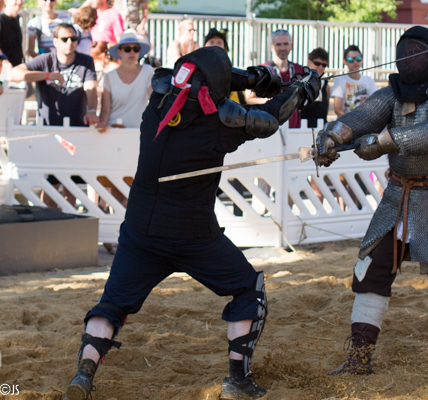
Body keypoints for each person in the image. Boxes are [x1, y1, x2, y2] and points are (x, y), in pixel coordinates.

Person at [61, 46, 320, 400]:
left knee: (112, 305)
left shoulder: (156, 108)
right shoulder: (217, 126)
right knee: (248, 289)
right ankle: (237, 381)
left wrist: (260, 78)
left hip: (140, 232)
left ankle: (84, 373)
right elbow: (270, 119)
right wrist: (301, 88)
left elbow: (183, 74)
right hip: (193, 237)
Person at [317, 26, 428, 378]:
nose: (410, 59)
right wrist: (333, 136)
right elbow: (359, 119)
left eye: (418, 52)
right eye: (406, 51)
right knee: (371, 274)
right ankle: (360, 358)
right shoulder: (391, 95)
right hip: (398, 197)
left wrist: (383, 141)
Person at [10, 23, 98, 127]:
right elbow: (13, 74)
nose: (70, 42)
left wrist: (92, 111)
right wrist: (47, 75)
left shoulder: (86, 61)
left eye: (73, 38)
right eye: (65, 39)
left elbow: (90, 87)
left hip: (77, 127)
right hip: (47, 127)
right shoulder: (45, 60)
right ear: (55, 42)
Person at [246, 28, 304, 128]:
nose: (282, 48)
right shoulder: (262, 70)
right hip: (270, 126)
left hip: (295, 128)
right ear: (272, 47)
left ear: (291, 46)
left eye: (286, 44)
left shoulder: (299, 69)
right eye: (278, 44)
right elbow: (248, 98)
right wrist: (268, 101)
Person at [97, 30, 152, 132]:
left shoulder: (147, 71)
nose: (132, 52)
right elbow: (105, 110)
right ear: (119, 52)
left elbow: (155, 101)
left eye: (135, 49)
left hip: (139, 131)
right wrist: (102, 123)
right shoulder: (109, 77)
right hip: (114, 131)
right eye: (127, 49)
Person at [331, 45, 378, 118]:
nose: (355, 62)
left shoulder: (369, 80)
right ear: (345, 62)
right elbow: (338, 109)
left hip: (366, 123)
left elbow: (376, 104)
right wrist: (351, 123)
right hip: (346, 124)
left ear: (362, 60)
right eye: (350, 59)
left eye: (358, 58)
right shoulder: (340, 80)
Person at [89, 0, 124, 70]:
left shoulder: (114, 14)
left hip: (109, 60)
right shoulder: (92, 14)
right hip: (94, 59)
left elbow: (120, 40)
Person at [301, 47, 330, 127]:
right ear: (309, 62)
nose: (320, 67)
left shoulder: (326, 85)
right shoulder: (301, 82)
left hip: (320, 128)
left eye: (324, 65)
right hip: (301, 128)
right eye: (317, 63)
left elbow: (326, 109)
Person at [0, 0, 25, 68]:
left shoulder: (18, 19)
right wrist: (6, 64)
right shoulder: (1, 20)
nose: (20, 2)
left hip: (17, 68)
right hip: (4, 70)